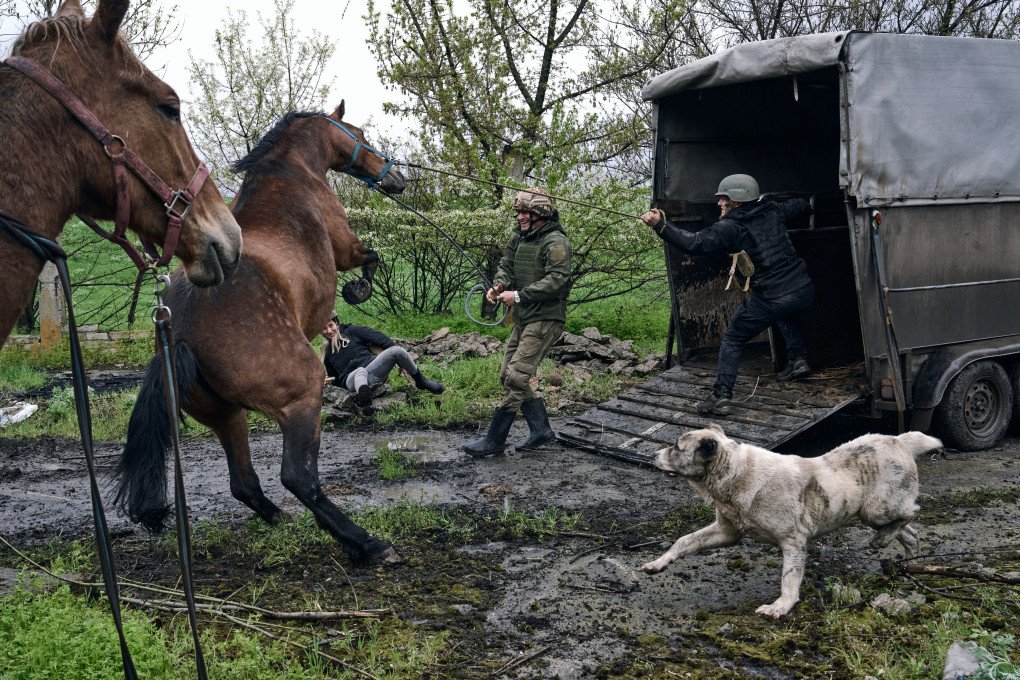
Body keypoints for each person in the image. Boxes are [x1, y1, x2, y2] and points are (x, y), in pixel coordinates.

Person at [640, 174, 814, 416]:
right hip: (803, 289)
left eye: (724, 199)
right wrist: (803, 202)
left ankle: (721, 395)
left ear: (738, 201)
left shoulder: (730, 227)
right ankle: (797, 359)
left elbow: (694, 243)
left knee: (732, 338)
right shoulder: (773, 210)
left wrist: (660, 225)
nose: (719, 203)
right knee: (785, 309)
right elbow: (802, 205)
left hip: (774, 296)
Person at [464, 187, 572, 457]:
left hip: (546, 319)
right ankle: (542, 430)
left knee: (515, 377)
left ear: (542, 214)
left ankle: (494, 440)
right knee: (506, 375)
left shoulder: (555, 242)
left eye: (526, 213)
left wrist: (520, 296)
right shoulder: (519, 238)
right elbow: (507, 265)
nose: (521, 217)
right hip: (525, 318)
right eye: (519, 213)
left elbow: (557, 281)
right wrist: (499, 285)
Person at [321, 314, 444, 411]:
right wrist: (328, 383)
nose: (329, 330)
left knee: (397, 350)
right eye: (324, 328)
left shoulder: (352, 331)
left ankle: (421, 381)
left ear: (336, 323)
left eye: (330, 325)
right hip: (352, 379)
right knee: (360, 371)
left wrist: (402, 364)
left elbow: (379, 338)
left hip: (373, 368)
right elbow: (336, 380)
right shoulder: (327, 354)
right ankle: (366, 403)